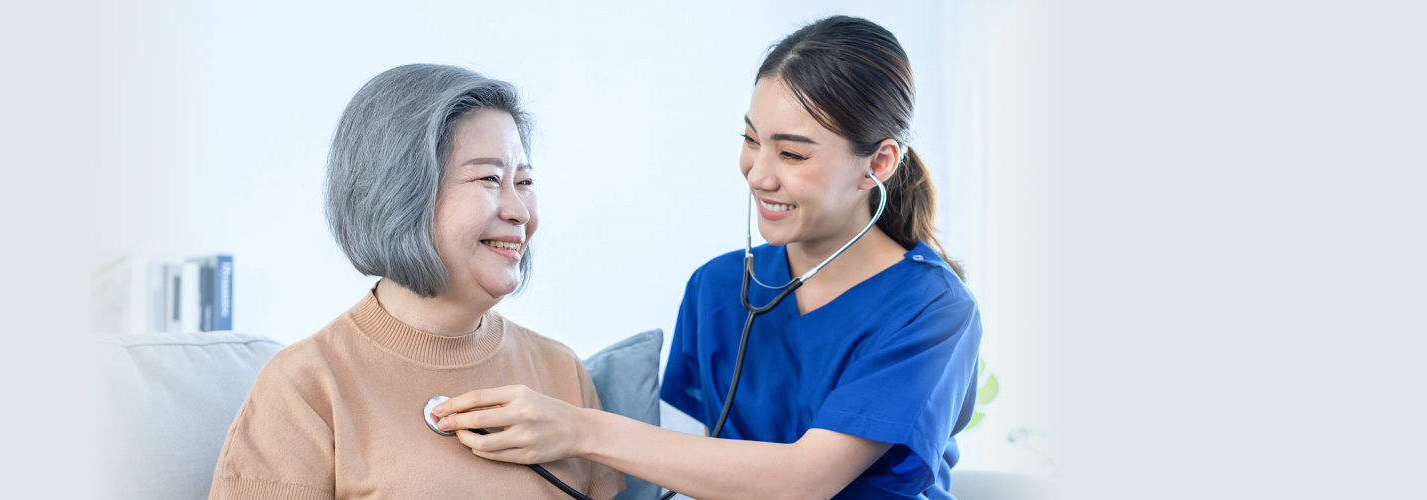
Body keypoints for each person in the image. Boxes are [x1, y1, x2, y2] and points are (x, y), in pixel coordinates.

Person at [429, 16, 982, 499]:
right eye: (751, 139)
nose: (759, 174)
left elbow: (804, 481)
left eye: (791, 153)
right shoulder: (717, 287)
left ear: (879, 163)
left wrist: (577, 429)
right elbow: (682, 462)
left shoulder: (932, 311)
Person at [208, 63, 624, 500]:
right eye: (490, 179)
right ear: (399, 192)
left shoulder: (561, 372)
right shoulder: (305, 387)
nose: (519, 210)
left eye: (525, 181)